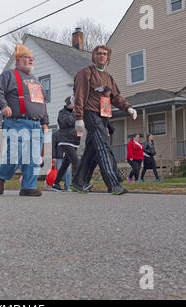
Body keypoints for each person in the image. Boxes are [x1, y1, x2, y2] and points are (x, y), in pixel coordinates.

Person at [71, 45, 138, 195]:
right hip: (90, 114)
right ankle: (113, 184)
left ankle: (78, 182)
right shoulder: (85, 73)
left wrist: (128, 108)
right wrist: (79, 118)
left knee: (92, 150)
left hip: (104, 116)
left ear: (108, 58)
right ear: (94, 56)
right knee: (103, 148)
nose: (102, 56)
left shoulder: (108, 77)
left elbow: (115, 97)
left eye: (105, 54)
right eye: (99, 53)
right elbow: (79, 95)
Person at [0, 44, 49, 197]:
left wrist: (45, 122)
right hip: (17, 122)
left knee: (34, 157)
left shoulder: (36, 81)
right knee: (15, 153)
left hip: (36, 124)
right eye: (26, 57)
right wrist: (3, 105)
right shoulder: (9, 75)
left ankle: (28, 187)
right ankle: (1, 176)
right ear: (17, 61)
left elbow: (42, 102)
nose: (30, 60)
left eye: (32, 58)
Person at [52, 96, 80, 192]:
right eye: (74, 103)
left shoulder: (76, 112)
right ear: (69, 104)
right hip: (65, 140)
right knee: (76, 162)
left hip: (74, 141)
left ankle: (56, 184)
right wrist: (74, 113)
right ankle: (78, 183)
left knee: (65, 165)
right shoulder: (62, 113)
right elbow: (67, 122)